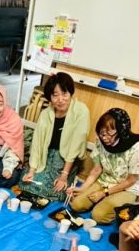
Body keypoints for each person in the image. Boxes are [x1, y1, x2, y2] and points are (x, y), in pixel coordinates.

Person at [69, 109, 139, 224]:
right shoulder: (101, 140)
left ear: (121, 131)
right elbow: (97, 169)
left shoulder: (137, 146)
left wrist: (104, 194)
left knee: (98, 215)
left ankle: (105, 202)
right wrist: (83, 188)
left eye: (110, 134)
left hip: (126, 188)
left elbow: (131, 180)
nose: (105, 138)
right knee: (76, 204)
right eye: (102, 134)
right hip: (105, 181)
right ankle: (101, 201)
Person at [21, 72, 90, 202]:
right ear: (50, 97)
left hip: (66, 160)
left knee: (54, 190)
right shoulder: (45, 114)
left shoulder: (81, 111)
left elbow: (76, 145)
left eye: (64, 93)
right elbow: (37, 144)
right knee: (26, 183)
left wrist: (64, 175)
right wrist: (31, 171)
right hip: (46, 156)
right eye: (55, 95)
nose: (60, 99)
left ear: (70, 93)